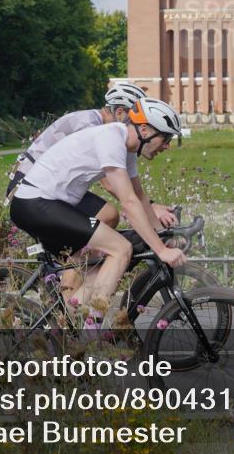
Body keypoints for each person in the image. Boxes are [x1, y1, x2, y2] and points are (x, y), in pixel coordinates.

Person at [10, 98, 187, 307]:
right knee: (121, 249)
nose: (166, 146)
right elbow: (129, 203)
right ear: (146, 131)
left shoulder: (127, 148)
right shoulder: (111, 138)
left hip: (49, 205)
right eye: (166, 138)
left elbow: (139, 197)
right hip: (36, 203)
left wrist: (161, 236)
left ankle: (71, 316)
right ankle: (91, 330)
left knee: (98, 260)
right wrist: (161, 250)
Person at [5, 83, 176, 228]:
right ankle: (72, 262)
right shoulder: (90, 125)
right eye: (133, 120)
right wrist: (149, 208)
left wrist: (145, 205)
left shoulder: (99, 124)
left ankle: (80, 259)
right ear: (120, 113)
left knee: (107, 217)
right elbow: (110, 183)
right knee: (107, 216)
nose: (135, 126)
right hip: (31, 190)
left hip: (49, 187)